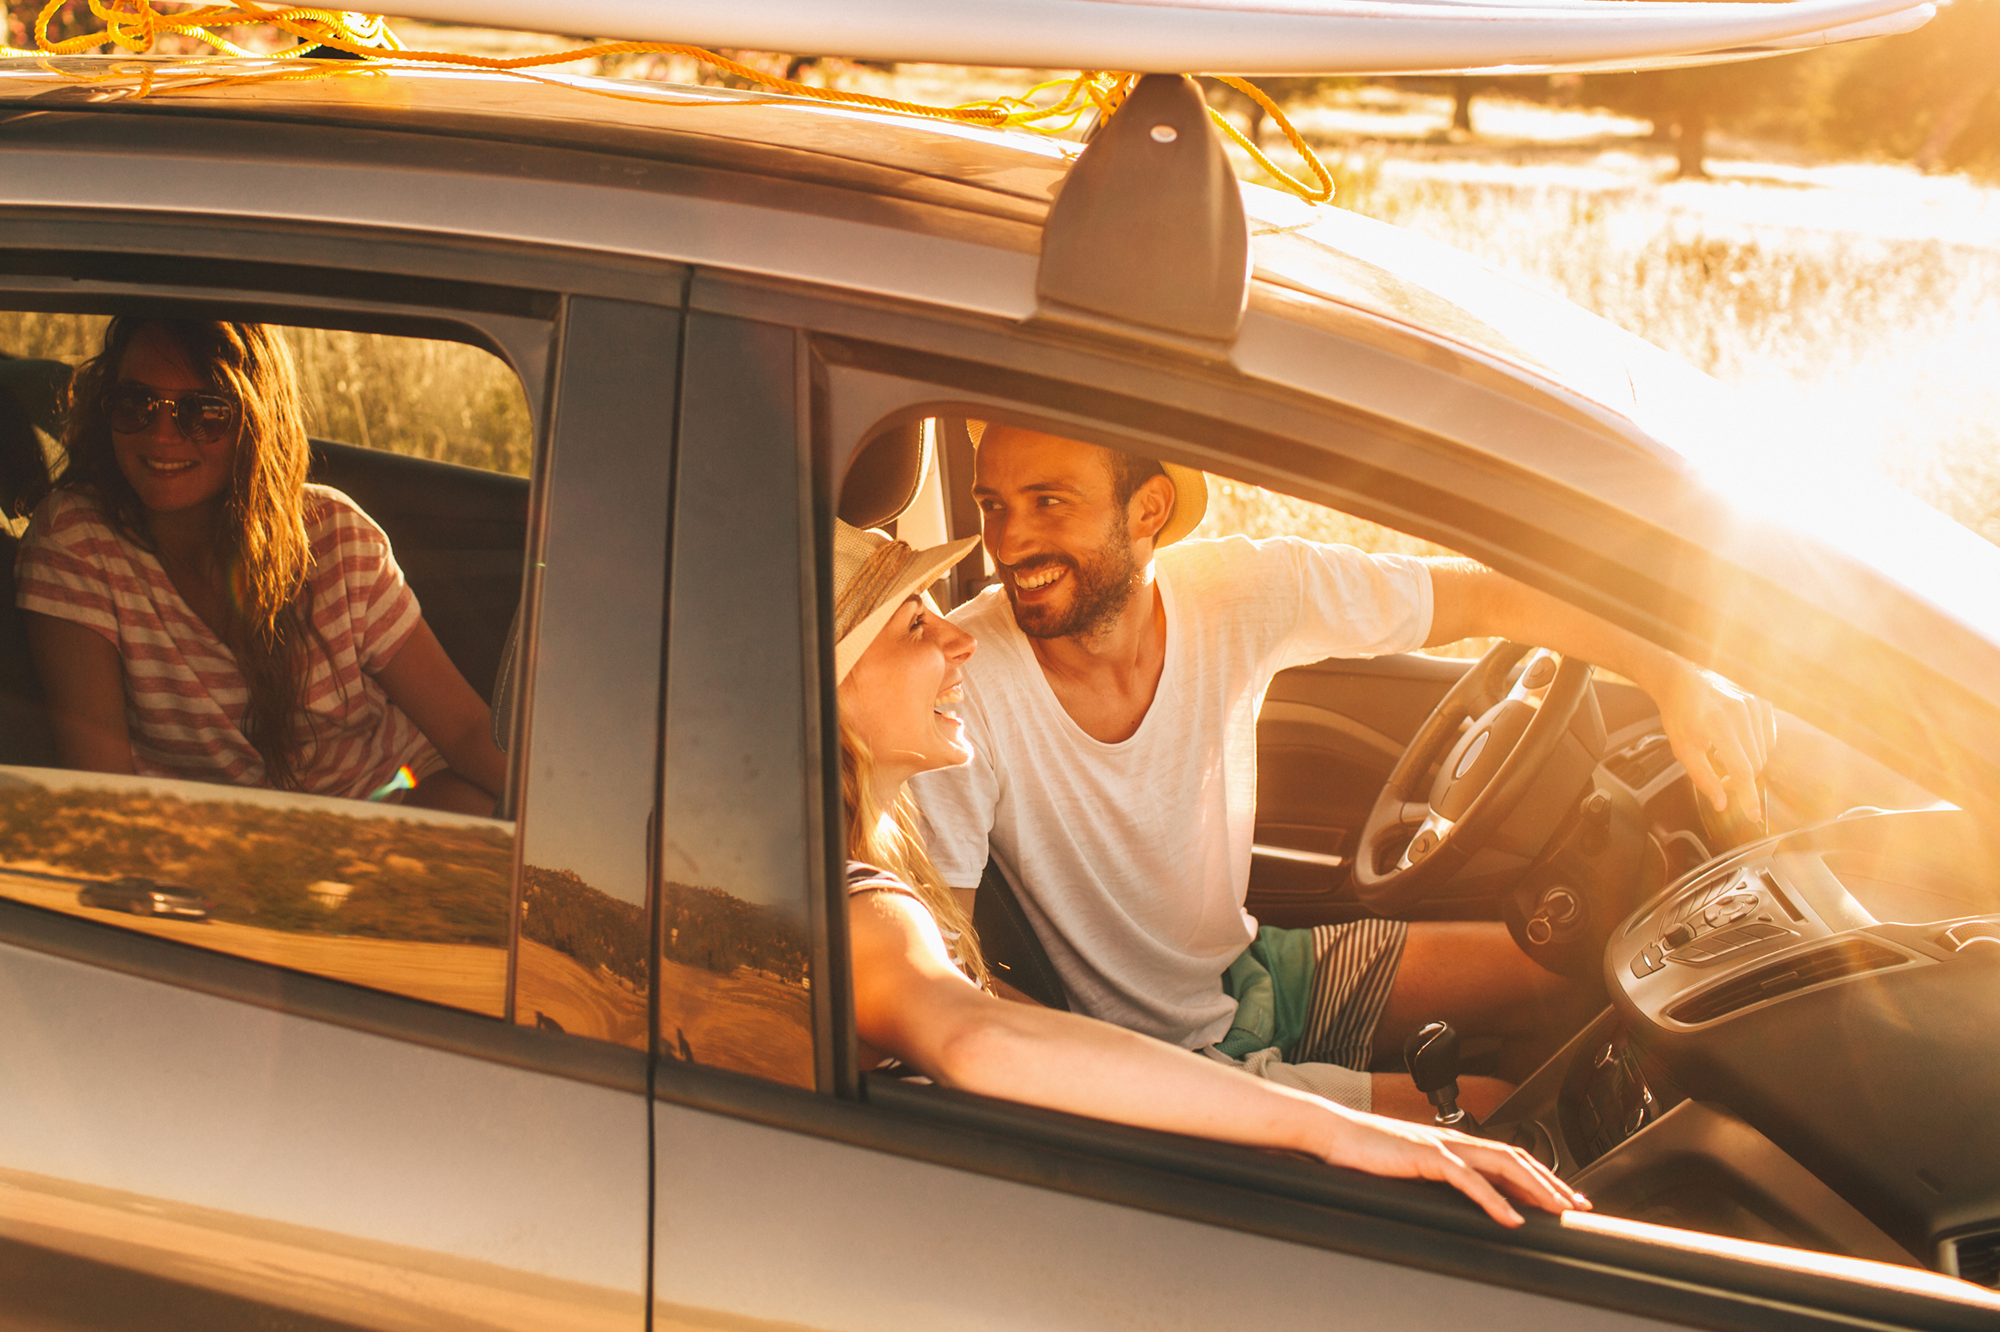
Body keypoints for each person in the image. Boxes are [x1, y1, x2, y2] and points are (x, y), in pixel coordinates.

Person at [912, 424, 1776, 1121]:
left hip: (1250, 970)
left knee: (1566, 975)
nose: (1008, 540)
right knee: (1502, 1112)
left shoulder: (1235, 592)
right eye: (993, 505)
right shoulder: (963, 683)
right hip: (1164, 1061)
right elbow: (948, 976)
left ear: (1149, 510)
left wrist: (1671, 675)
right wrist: (1129, 1094)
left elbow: (1484, 595)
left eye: (1048, 502)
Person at [832, 516, 1588, 1228]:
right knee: (1511, 1116)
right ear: (827, 687)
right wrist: (1331, 1130)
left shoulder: (882, 851)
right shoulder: (859, 905)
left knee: (1555, 983)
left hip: (1222, 991)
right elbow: (973, 1039)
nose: (961, 639)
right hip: (1088, 1190)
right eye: (916, 625)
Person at [14, 317, 506, 815]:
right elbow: (102, 786)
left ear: (255, 422)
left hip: (387, 801)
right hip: (210, 838)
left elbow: (464, 731)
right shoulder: (78, 541)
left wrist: (547, 826)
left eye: (204, 412)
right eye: (135, 404)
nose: (161, 434)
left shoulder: (335, 536)